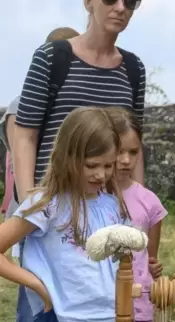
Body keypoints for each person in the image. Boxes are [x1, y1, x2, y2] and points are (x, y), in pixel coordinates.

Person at [0, 106, 132, 322]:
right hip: (58, 316)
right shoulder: (46, 205)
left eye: (108, 165)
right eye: (92, 165)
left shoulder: (113, 207)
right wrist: (36, 284)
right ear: (66, 157)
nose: (101, 174)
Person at [13, 0, 146, 207]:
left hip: (109, 208)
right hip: (53, 204)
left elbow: (134, 143)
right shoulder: (50, 57)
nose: (120, 8)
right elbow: (25, 137)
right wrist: (29, 205)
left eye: (130, 2)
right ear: (88, 3)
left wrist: (139, 204)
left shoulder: (133, 68)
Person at [0, 26, 80, 322]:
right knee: (33, 286)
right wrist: (33, 203)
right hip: (36, 205)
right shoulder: (21, 104)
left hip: (67, 205)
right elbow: (20, 149)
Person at [108, 106, 167, 322]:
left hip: (140, 306)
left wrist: (153, 267)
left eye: (133, 152)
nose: (125, 160)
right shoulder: (88, 200)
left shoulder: (150, 203)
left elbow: (150, 260)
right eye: (118, 151)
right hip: (101, 305)